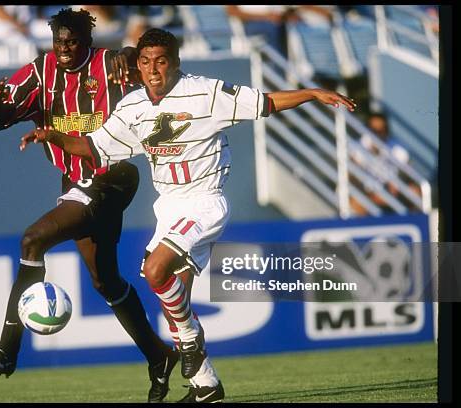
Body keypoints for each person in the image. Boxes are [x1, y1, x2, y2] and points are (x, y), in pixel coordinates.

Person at [19, 28, 356, 403]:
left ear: (175, 63)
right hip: (168, 206)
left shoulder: (205, 92)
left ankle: (192, 343)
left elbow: (266, 102)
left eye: (161, 61)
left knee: (154, 271)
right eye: (145, 62)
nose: (152, 70)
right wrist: (53, 137)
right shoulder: (131, 106)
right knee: (174, 302)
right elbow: (95, 148)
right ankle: (207, 387)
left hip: (204, 201)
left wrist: (310, 94)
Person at [0, 10, 177, 403]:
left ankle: (6, 350)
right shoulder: (39, 71)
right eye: (59, 42)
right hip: (75, 182)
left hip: (112, 177)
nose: (65, 50)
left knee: (33, 240)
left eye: (73, 42)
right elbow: (2, 116)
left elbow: (135, 60)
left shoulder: (108, 63)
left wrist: (129, 58)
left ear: (87, 41)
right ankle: (159, 356)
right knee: (106, 281)